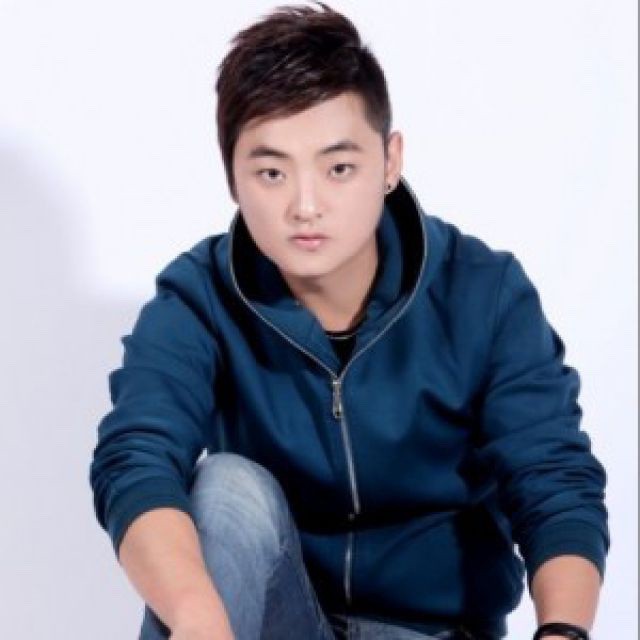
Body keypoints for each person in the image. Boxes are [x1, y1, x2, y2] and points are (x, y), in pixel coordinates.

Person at [88, 3, 609, 639]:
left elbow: (554, 484)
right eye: (272, 172)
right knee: (226, 488)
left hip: (436, 633)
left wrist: (562, 634)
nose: (306, 205)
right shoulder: (199, 297)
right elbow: (137, 459)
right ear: (232, 177)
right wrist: (199, 622)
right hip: (275, 624)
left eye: (338, 168)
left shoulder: (483, 291)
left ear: (390, 161)